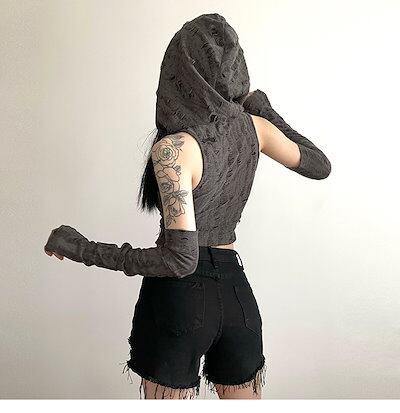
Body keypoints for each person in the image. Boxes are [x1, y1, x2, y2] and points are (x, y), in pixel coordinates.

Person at [44, 13, 331, 400]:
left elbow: (179, 260)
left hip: (179, 303)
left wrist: (81, 248)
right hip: (238, 297)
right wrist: (261, 109)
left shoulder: (174, 150)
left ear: (179, 72)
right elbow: (319, 165)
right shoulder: (256, 129)